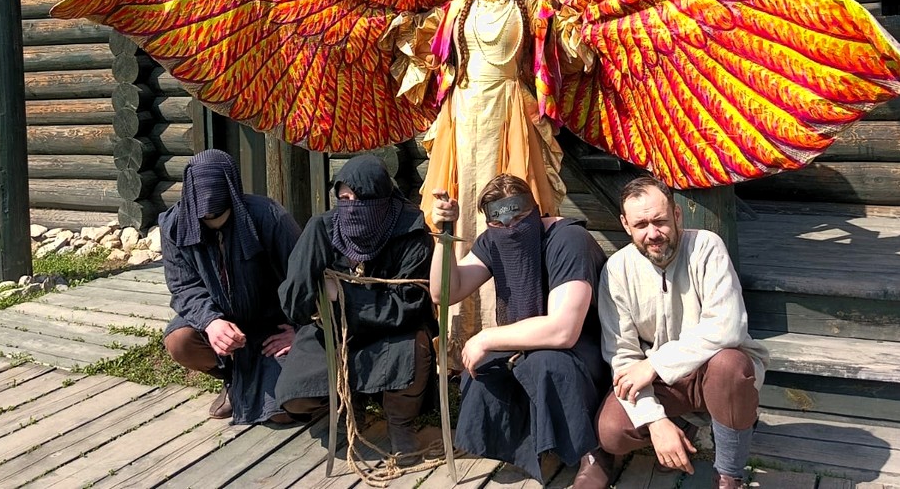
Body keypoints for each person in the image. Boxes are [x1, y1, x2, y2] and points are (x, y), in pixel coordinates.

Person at [392, 0, 567, 361]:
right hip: (462, 120)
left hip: (510, 118)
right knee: (460, 211)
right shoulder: (455, 7)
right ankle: (459, 341)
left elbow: (560, 51)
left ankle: (511, 332)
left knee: (511, 215)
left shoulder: (532, 8)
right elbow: (428, 54)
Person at [429, 174, 610, 485]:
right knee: (484, 367)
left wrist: (487, 337)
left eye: (519, 218)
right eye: (499, 223)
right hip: (530, 344)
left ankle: (593, 452)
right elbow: (444, 292)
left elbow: (564, 331)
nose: (510, 228)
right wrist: (443, 236)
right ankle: (524, 446)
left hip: (587, 352)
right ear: (490, 223)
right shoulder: (493, 241)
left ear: (534, 210)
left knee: (545, 363)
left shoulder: (568, 240)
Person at [592, 177, 769, 489]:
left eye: (659, 220)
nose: (652, 233)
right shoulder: (617, 270)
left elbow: (728, 326)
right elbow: (623, 356)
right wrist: (655, 420)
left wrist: (654, 364)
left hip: (710, 370)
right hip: (664, 384)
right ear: (625, 225)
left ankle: (730, 474)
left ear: (676, 214)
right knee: (612, 432)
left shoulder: (706, 247)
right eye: (641, 224)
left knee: (730, 366)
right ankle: (679, 423)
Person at [275, 154, 436, 458]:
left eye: (360, 199)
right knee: (296, 396)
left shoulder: (410, 231)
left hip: (392, 333)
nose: (351, 207)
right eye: (344, 198)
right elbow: (294, 305)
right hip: (334, 332)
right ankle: (349, 405)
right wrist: (310, 283)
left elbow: (408, 305)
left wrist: (343, 294)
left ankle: (400, 423)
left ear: (381, 200)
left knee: (415, 345)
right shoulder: (322, 228)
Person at [159, 149, 302, 424]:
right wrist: (211, 321)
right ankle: (232, 379)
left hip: (271, 327)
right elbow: (183, 286)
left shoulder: (268, 216)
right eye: (205, 219)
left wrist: (299, 330)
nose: (213, 223)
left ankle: (249, 385)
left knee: (284, 411)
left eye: (220, 217)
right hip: (221, 323)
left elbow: (304, 277)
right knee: (180, 341)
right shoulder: (174, 226)